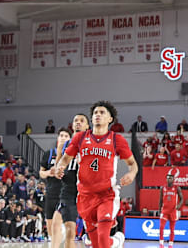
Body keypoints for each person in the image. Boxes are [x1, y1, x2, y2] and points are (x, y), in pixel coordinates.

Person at [55, 101, 137, 248]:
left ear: (110, 119)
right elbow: (65, 159)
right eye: (95, 113)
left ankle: (116, 240)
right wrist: (60, 167)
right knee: (96, 244)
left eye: (102, 112)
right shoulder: (80, 138)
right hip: (85, 196)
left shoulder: (116, 139)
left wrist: (131, 174)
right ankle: (117, 241)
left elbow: (133, 164)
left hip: (107, 195)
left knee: (103, 240)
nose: (97, 115)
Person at [56, 114, 89, 248]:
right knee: (70, 230)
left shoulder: (92, 142)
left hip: (87, 187)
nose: (78, 123)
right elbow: (60, 165)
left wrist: (85, 163)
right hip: (69, 188)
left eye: (82, 121)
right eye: (76, 120)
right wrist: (58, 169)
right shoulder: (67, 144)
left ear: (87, 126)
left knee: (95, 234)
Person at [40, 128, 70, 248]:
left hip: (66, 193)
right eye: (61, 135)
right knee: (50, 227)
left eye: (66, 136)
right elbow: (41, 173)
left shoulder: (71, 155)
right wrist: (49, 173)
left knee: (62, 224)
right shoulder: (49, 154)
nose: (63, 137)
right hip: (51, 192)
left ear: (70, 139)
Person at [159, 172, 183, 248]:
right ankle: (161, 243)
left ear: (173, 179)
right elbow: (160, 200)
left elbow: (182, 198)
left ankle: (170, 244)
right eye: (168, 178)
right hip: (165, 210)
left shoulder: (177, 188)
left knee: (172, 229)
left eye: (171, 178)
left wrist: (179, 205)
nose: (169, 179)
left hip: (173, 211)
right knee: (161, 227)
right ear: (166, 179)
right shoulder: (162, 188)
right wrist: (159, 210)